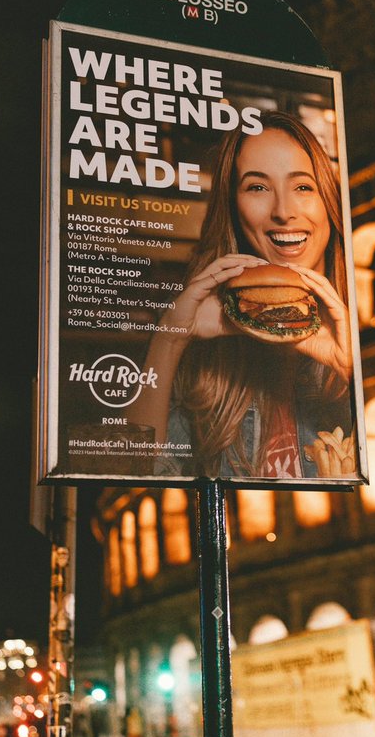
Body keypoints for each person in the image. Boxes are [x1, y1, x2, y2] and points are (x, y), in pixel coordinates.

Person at [130, 111, 356, 479]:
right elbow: (136, 475)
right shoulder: (209, 362)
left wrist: (352, 370)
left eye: (303, 187)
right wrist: (170, 338)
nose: (283, 212)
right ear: (234, 209)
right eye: (257, 187)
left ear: (327, 202)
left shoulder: (371, 329)